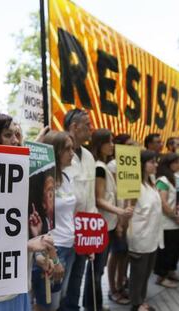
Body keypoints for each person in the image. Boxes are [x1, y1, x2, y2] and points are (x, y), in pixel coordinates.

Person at [0, 112, 54, 311]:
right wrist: (27, 246)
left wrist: (39, 258)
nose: (16, 141)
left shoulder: (19, 182)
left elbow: (15, 235)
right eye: (8, 135)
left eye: (18, 135)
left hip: (19, 287)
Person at [83, 129, 133, 310]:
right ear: (100, 144)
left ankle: (94, 304)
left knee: (98, 270)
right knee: (96, 270)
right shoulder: (99, 168)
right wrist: (120, 211)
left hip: (107, 224)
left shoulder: (102, 166)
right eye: (109, 142)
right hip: (102, 225)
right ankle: (92, 306)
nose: (112, 145)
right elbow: (99, 198)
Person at [32, 131, 76, 311]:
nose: (72, 153)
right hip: (53, 249)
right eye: (67, 149)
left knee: (58, 298)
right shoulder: (43, 182)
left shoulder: (66, 177)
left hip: (69, 245)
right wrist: (53, 257)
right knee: (47, 304)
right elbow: (42, 223)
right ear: (55, 152)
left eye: (72, 148)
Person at [61, 108, 97, 311]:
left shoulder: (90, 157)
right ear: (74, 126)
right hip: (64, 233)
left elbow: (90, 197)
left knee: (77, 280)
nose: (91, 129)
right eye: (88, 125)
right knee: (61, 286)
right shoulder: (58, 152)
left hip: (83, 231)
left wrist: (91, 234)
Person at [127, 150, 163, 311]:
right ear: (142, 164)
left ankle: (141, 300)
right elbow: (128, 208)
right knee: (138, 273)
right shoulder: (135, 185)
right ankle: (136, 304)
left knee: (146, 272)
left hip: (153, 236)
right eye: (152, 162)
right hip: (140, 236)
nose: (155, 165)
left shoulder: (152, 182)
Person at [106, 133, 135, 304]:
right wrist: (119, 219)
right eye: (129, 144)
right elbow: (116, 194)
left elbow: (130, 192)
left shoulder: (131, 162)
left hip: (128, 215)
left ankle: (121, 283)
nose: (132, 148)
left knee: (125, 253)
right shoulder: (113, 165)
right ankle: (113, 288)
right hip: (118, 216)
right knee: (116, 253)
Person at [153, 153, 179, 288]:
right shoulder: (163, 180)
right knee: (166, 251)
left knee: (173, 250)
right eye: (176, 162)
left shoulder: (172, 179)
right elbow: (163, 203)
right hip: (166, 223)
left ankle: (169, 271)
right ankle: (161, 276)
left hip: (173, 223)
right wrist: (175, 217)